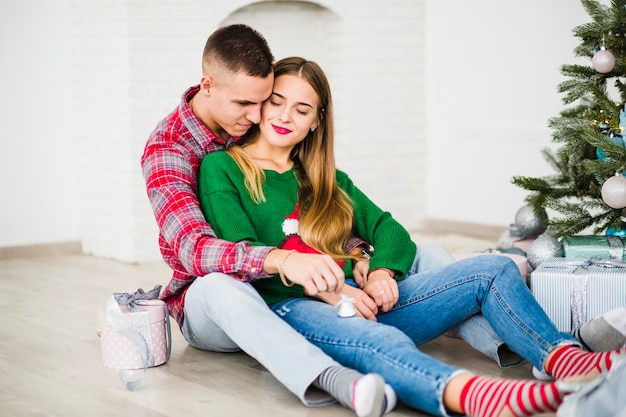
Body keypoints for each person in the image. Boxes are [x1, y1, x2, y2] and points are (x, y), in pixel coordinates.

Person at [198, 56, 626, 417]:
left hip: (363, 300)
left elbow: (389, 230)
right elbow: (247, 257)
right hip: (294, 310)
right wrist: (333, 295)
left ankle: (563, 358)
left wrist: (383, 271)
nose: (285, 116)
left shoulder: (330, 179)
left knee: (493, 268)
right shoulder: (224, 168)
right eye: (277, 102)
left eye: (302, 109)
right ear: (261, 104)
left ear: (316, 122)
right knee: (383, 340)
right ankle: (475, 396)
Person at [141, 24, 392, 417]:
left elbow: (295, 213)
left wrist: (359, 251)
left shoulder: (253, 123)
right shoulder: (169, 150)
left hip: (280, 290)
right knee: (220, 285)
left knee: (427, 256)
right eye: (245, 103)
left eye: (265, 101)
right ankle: (332, 378)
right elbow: (193, 250)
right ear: (207, 86)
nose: (259, 116)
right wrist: (284, 260)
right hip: (213, 304)